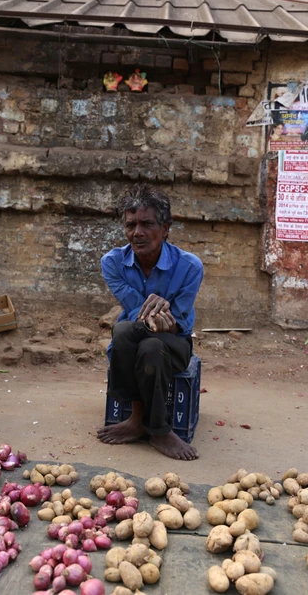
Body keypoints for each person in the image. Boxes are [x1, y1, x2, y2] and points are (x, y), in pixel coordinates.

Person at [97, 183, 203, 460]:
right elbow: (134, 308)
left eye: (146, 224)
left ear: (166, 228)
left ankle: (157, 429)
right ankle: (139, 421)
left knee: (150, 344)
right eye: (130, 225)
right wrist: (155, 316)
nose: (137, 233)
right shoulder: (113, 262)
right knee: (130, 334)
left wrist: (166, 320)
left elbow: (178, 321)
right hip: (132, 340)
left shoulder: (190, 266)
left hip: (175, 343)